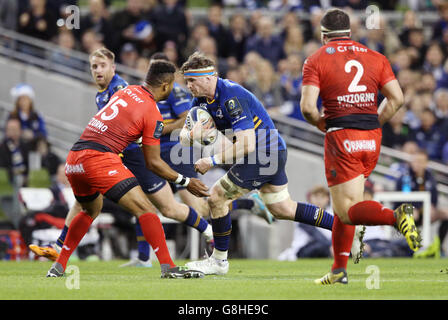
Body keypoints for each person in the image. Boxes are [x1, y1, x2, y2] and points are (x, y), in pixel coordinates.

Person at [177, 52, 364, 275]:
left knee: (217, 197)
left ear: (208, 77)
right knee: (283, 208)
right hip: (271, 152)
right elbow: (183, 136)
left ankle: (218, 261)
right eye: (186, 81)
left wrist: (212, 160)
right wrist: (192, 135)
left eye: (192, 80)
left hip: (264, 153)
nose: (188, 85)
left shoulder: (231, 95)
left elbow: (247, 144)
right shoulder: (199, 101)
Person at [31, 48, 214, 268]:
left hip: (83, 156)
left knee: (99, 207)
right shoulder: (131, 102)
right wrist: (184, 180)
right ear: (165, 85)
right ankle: (166, 265)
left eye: (102, 65)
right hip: (111, 158)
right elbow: (152, 160)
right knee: (149, 208)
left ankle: (60, 255)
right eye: (94, 66)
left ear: (113, 67)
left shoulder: (121, 90)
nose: (97, 70)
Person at [300, 8, 421, 285]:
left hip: (342, 137)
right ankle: (339, 269)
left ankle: (396, 217)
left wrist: (321, 123)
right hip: (371, 138)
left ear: (323, 35)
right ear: (350, 33)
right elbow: (397, 99)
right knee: (346, 202)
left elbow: (307, 108)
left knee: (344, 210)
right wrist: (375, 122)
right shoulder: (375, 57)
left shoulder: (315, 60)